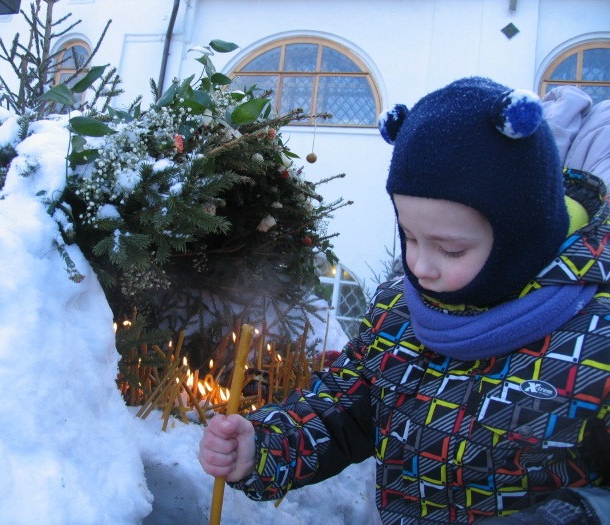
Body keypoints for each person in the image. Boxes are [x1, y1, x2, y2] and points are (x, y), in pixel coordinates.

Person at [199, 77, 610, 523]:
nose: (421, 266)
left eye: (451, 249)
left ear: (522, 232)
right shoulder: (400, 310)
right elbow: (340, 410)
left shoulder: (595, 336)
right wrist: (261, 447)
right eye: (409, 237)